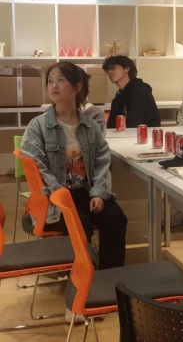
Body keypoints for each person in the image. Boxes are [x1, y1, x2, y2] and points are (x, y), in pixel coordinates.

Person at [21, 61, 128, 271]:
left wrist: (98, 193)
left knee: (116, 218)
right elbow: (35, 165)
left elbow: (101, 161)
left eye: (61, 80)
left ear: (77, 87)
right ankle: (82, 279)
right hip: (54, 198)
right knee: (81, 224)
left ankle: (108, 277)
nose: (54, 86)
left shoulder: (90, 126)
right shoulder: (38, 126)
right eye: (50, 81)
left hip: (85, 192)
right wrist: (60, 195)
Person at [102, 56, 161, 129]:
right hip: (125, 134)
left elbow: (134, 123)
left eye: (113, 68)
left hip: (144, 134)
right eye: (108, 69)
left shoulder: (138, 91)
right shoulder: (118, 98)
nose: (110, 72)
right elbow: (111, 126)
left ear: (126, 69)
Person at [77, 68, 106, 136]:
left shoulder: (94, 113)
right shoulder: (52, 113)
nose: (54, 86)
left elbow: (95, 141)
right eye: (52, 81)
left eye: (61, 81)